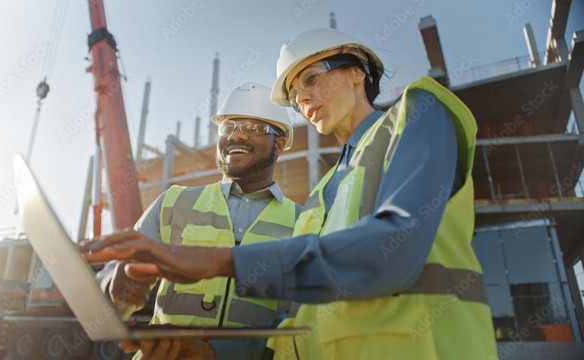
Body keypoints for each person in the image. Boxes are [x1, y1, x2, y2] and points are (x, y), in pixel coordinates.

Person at [84, 28, 498, 359]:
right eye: (296, 93)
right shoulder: (319, 199)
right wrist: (208, 351)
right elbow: (292, 324)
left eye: (312, 78)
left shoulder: (416, 114)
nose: (303, 97)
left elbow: (393, 249)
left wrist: (214, 260)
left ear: (357, 71)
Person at [95, 82, 300, 360]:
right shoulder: (174, 202)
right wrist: (114, 287)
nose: (236, 136)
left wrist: (220, 353)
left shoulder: (303, 222)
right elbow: (113, 282)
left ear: (278, 144)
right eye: (227, 128)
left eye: (253, 128)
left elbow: (299, 324)